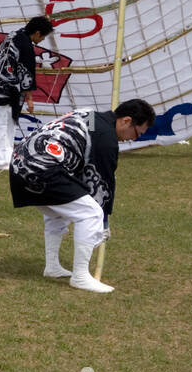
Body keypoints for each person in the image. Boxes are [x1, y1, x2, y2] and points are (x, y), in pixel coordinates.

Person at [10, 99, 155, 294]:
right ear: (126, 121)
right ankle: (80, 276)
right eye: (138, 133)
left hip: (21, 162)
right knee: (90, 213)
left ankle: (52, 266)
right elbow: (103, 182)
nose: (133, 139)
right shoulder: (107, 138)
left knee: (58, 212)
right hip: (42, 167)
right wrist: (103, 222)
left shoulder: (92, 116)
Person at [0, 15, 54, 169]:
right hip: (6, 90)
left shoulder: (13, 35)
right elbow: (26, 74)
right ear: (37, 33)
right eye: (42, 36)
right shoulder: (26, 45)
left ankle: (6, 156)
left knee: (6, 124)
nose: (42, 40)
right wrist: (30, 99)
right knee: (2, 125)